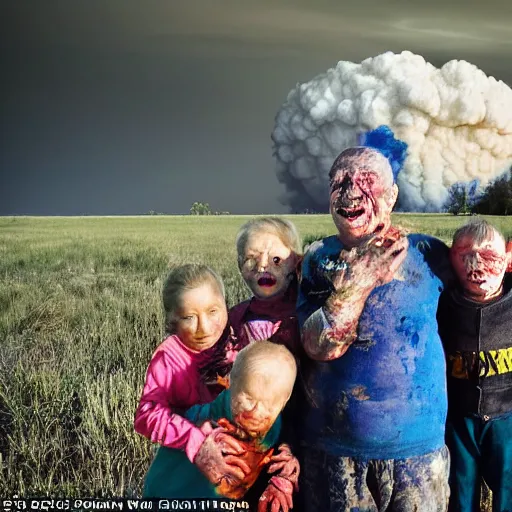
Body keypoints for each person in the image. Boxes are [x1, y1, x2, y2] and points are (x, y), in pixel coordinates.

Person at [296, 126, 453, 511]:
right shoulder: (317, 258)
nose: (350, 192)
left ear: (393, 195)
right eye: (339, 182)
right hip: (333, 452)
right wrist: (359, 282)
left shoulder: (429, 253)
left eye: (366, 180)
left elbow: (484, 296)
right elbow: (317, 346)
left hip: (418, 453)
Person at [142, 340, 300, 512]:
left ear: (284, 403)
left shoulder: (275, 426)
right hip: (168, 498)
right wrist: (195, 439)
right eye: (248, 398)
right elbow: (159, 419)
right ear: (231, 382)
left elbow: (277, 449)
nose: (256, 412)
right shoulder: (202, 414)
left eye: (269, 406)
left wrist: (284, 476)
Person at [134, 264, 249, 490]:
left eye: (213, 311)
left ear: (226, 306)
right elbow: (147, 416)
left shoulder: (240, 342)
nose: (204, 328)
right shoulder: (169, 358)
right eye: (189, 317)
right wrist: (193, 440)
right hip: (186, 468)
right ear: (171, 322)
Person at [437, 219, 512, 512]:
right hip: (459, 417)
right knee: (461, 486)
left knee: (507, 484)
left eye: (489, 255)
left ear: (507, 259)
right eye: (465, 254)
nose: (476, 263)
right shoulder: (444, 303)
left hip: (506, 417)